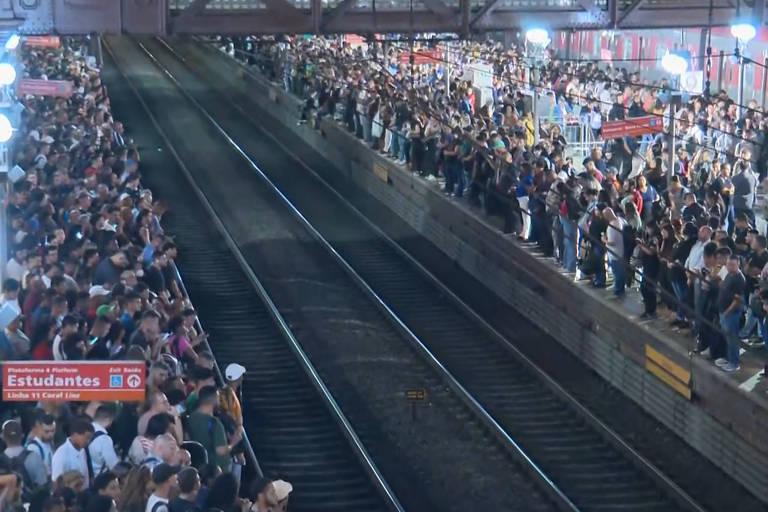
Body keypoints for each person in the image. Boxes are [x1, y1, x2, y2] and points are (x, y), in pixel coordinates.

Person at [187, 387, 241, 473]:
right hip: (219, 468)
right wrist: (233, 442)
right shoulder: (215, 423)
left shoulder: (190, 418)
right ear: (215, 399)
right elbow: (220, 450)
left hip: (200, 466)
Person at [0, 420, 48, 493]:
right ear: (22, 435)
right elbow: (43, 486)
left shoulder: (1, 460)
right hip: (29, 502)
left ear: (2, 436)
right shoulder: (33, 457)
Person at [716, 255, 746, 372]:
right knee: (727, 337)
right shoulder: (729, 274)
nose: (729, 267)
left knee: (732, 338)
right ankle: (728, 358)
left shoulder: (739, 279)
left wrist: (727, 312)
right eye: (728, 264)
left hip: (731, 314)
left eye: (732, 265)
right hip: (723, 311)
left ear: (738, 264)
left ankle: (734, 363)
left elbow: (737, 300)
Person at [51, 417, 94, 487]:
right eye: (87, 437)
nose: (88, 441)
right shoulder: (61, 454)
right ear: (75, 434)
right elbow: (56, 481)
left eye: (90, 439)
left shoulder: (83, 450)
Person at [88, 404, 120, 477]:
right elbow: (113, 465)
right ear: (108, 419)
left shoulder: (85, 431)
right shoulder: (104, 439)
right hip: (99, 479)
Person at [25, 411, 55, 479]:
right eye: (46, 431)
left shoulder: (50, 443)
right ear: (39, 428)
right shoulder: (33, 447)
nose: (50, 435)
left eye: (52, 431)